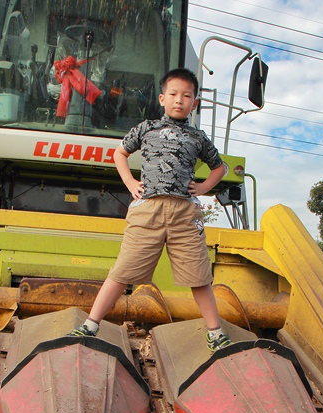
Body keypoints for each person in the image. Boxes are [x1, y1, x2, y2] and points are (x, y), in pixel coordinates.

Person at [69, 68, 233, 351]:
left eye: (187, 96)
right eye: (173, 94)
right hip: (148, 210)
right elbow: (120, 153)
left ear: (194, 103)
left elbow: (220, 167)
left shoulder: (198, 137)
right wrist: (130, 181)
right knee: (122, 271)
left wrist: (205, 187)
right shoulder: (146, 128)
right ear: (162, 98)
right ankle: (91, 324)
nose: (179, 100)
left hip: (184, 213)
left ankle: (215, 332)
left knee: (199, 276)